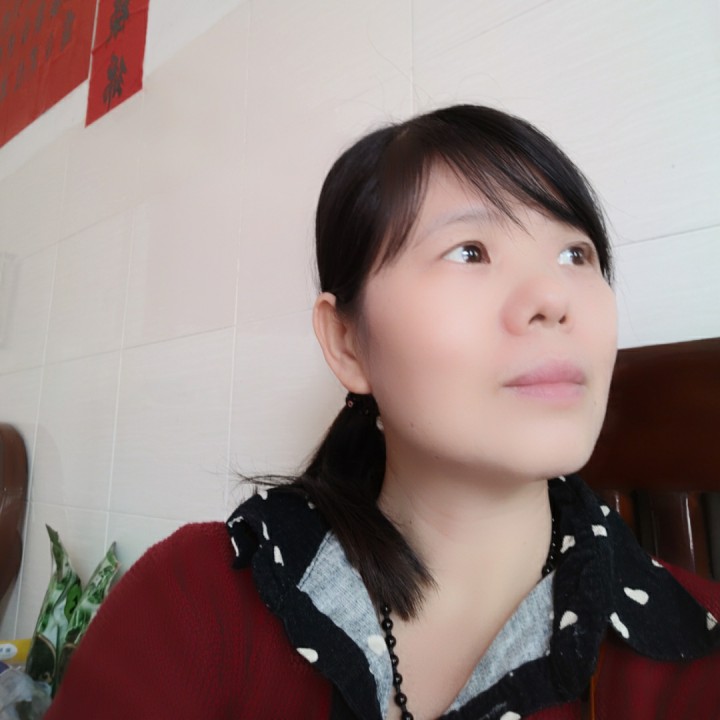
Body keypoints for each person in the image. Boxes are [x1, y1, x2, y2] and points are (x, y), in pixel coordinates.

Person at [46, 105, 720, 720]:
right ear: (347, 342)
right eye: (470, 251)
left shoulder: (697, 649)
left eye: (577, 254)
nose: (553, 296)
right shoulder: (198, 602)